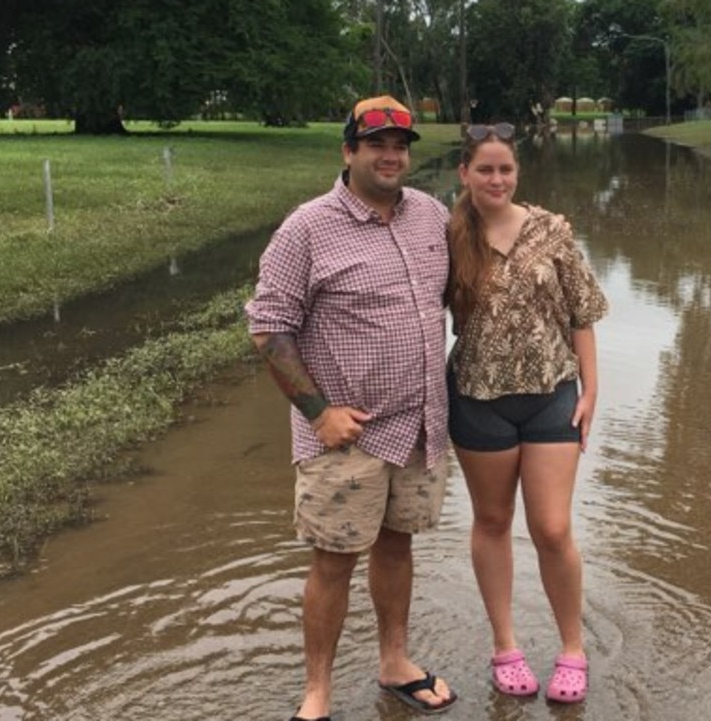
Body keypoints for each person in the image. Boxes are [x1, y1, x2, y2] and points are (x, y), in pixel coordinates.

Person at [245, 95, 457, 719]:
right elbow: (269, 327)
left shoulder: (429, 214)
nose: (392, 156)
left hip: (420, 426)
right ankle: (318, 692)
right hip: (346, 435)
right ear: (348, 152)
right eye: (377, 145)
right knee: (333, 560)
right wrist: (317, 412)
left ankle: (395, 662)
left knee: (397, 547)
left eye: (400, 145)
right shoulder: (307, 227)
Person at [445, 122, 608, 703]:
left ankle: (571, 649)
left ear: (518, 173)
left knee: (552, 526)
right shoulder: (446, 236)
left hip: (551, 394)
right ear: (465, 174)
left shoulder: (552, 230)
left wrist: (590, 390)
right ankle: (505, 646)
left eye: (505, 169)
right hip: (476, 398)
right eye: (484, 169)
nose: (496, 179)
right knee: (492, 522)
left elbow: (581, 312)